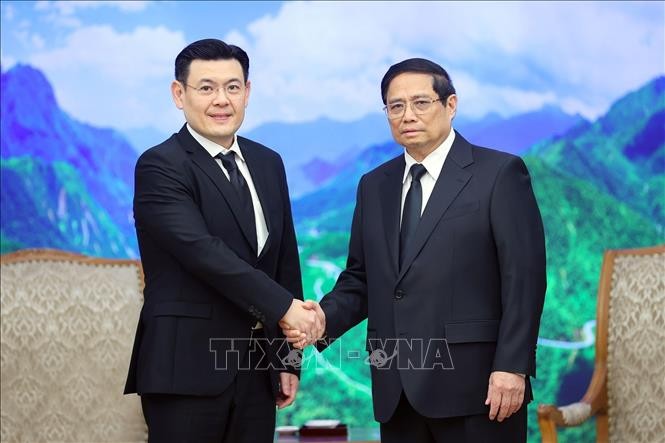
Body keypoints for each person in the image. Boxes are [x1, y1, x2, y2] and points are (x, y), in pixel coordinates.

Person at [282, 58, 546, 442]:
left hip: (479, 389)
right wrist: (322, 318)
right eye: (396, 106)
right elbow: (361, 278)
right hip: (396, 390)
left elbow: (524, 279)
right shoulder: (374, 185)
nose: (408, 115)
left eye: (421, 102)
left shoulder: (499, 174)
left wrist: (512, 366)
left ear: (450, 105)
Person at [124, 38, 320, 442]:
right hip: (185, 370)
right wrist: (288, 310)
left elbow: (284, 260)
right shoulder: (160, 165)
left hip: (256, 371)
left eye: (232, 87)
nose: (221, 100)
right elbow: (204, 253)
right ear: (179, 94)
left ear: (247, 92)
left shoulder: (268, 162)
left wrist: (287, 358)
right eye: (206, 87)